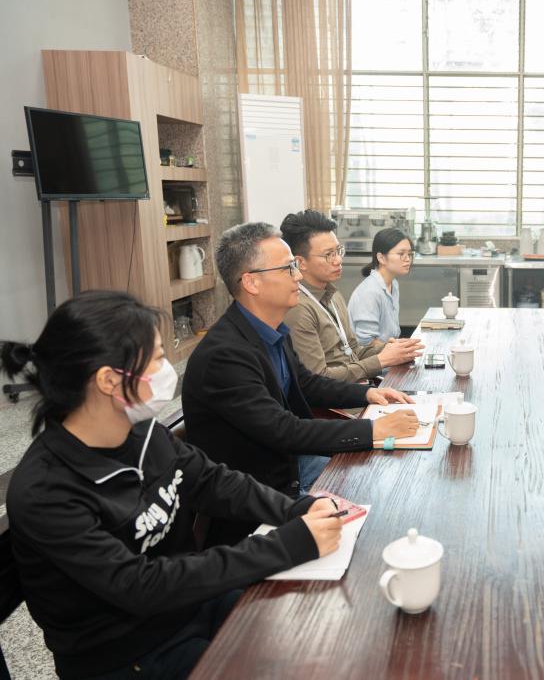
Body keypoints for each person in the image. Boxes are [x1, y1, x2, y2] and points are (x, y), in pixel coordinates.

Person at [1, 291, 343, 680]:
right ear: (109, 380)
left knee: (319, 633)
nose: (167, 370)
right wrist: (287, 544)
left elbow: (213, 481)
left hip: (190, 608)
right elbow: (141, 585)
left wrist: (294, 510)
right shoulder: (48, 491)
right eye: (158, 358)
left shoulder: (141, 433)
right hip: (127, 654)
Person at [183, 222, 418, 545]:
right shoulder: (224, 356)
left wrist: (368, 393)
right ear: (251, 282)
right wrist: (373, 430)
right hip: (261, 496)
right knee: (383, 510)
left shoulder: (271, 330)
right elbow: (283, 430)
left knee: (393, 483)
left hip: (290, 466)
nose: (297, 276)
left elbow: (307, 384)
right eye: (288, 268)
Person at [280, 209, 423, 382]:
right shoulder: (298, 308)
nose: (338, 260)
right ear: (300, 262)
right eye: (329, 255)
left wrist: (390, 348)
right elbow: (317, 379)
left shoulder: (332, 295)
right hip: (337, 397)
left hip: (357, 386)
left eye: (338, 251)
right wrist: (382, 360)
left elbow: (353, 350)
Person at [347, 228, 415, 345]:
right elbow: (366, 342)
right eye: (401, 254)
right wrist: (396, 349)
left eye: (409, 254)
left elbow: (390, 335)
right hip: (369, 355)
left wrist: (399, 346)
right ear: (381, 258)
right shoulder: (370, 292)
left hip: (385, 351)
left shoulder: (393, 283)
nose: (408, 259)